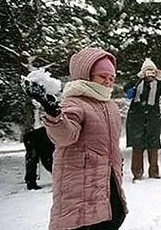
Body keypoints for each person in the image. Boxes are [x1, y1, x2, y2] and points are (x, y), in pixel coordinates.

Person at [22, 47, 128, 230]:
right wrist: (53, 113)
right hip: (81, 179)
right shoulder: (75, 101)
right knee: (83, 222)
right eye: (102, 76)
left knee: (114, 216)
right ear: (87, 75)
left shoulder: (110, 106)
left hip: (107, 176)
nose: (108, 82)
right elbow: (64, 137)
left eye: (111, 78)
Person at [124, 58, 161, 182]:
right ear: (143, 72)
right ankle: (137, 173)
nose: (150, 74)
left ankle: (154, 172)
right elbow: (126, 90)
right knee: (137, 147)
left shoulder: (158, 84)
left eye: (152, 71)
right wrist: (137, 78)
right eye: (147, 71)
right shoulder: (137, 83)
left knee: (153, 146)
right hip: (136, 119)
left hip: (152, 119)